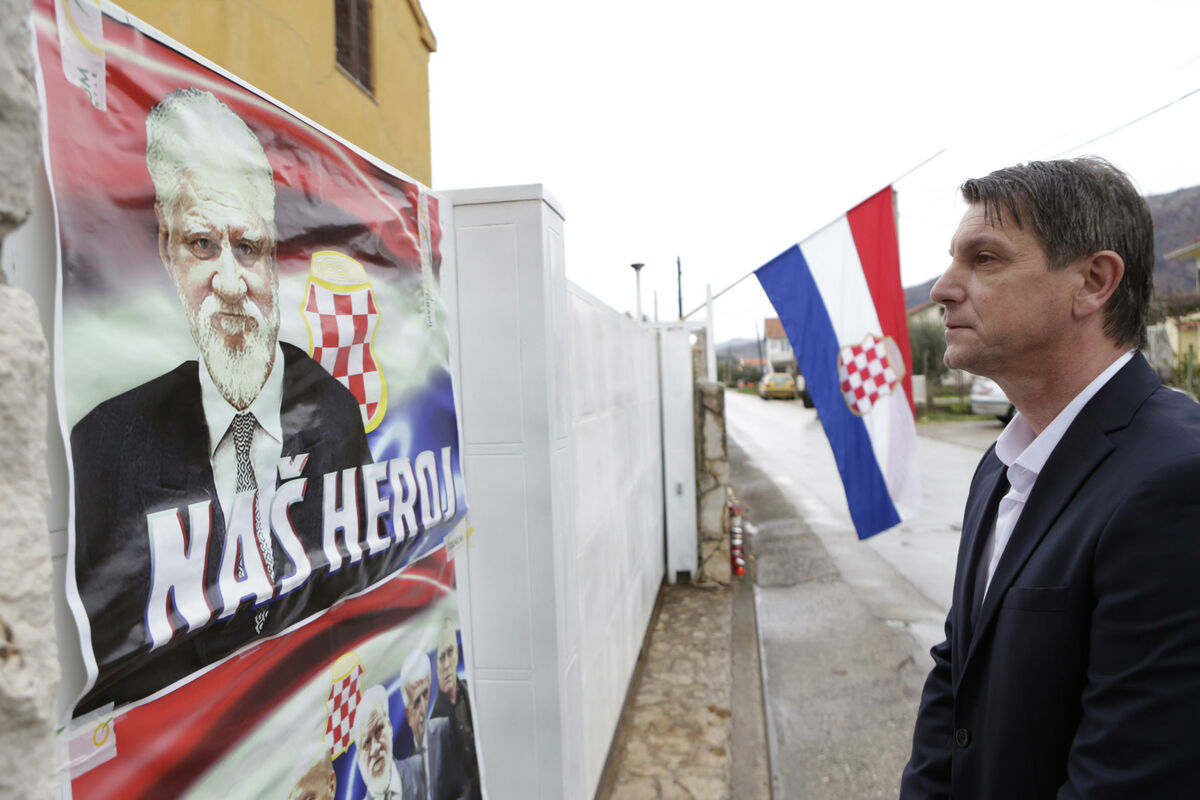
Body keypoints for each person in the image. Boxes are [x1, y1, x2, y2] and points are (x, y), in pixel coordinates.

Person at [900, 158, 1200, 798]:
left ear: (1092, 282)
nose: (943, 289)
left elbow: (1129, 778)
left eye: (984, 259)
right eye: (953, 260)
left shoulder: (1178, 481)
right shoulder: (1002, 463)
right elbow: (957, 671)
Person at [70, 88, 371, 715]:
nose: (231, 284)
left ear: (274, 256)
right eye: (203, 245)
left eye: (248, 248)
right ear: (167, 251)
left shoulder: (336, 417)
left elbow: (358, 613)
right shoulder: (104, 449)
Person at [401, 649, 471, 800]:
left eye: (425, 694)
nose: (423, 708)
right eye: (416, 701)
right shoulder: (405, 764)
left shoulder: (445, 730)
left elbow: (467, 783)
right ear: (408, 713)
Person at [431, 619, 481, 800]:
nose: (446, 664)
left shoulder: (473, 693)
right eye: (440, 657)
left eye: (450, 652)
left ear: (457, 653)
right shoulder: (431, 723)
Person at [354, 684, 426, 800]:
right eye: (366, 742)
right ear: (359, 757)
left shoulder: (423, 770)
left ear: (390, 727)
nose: (375, 748)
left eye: (379, 731)